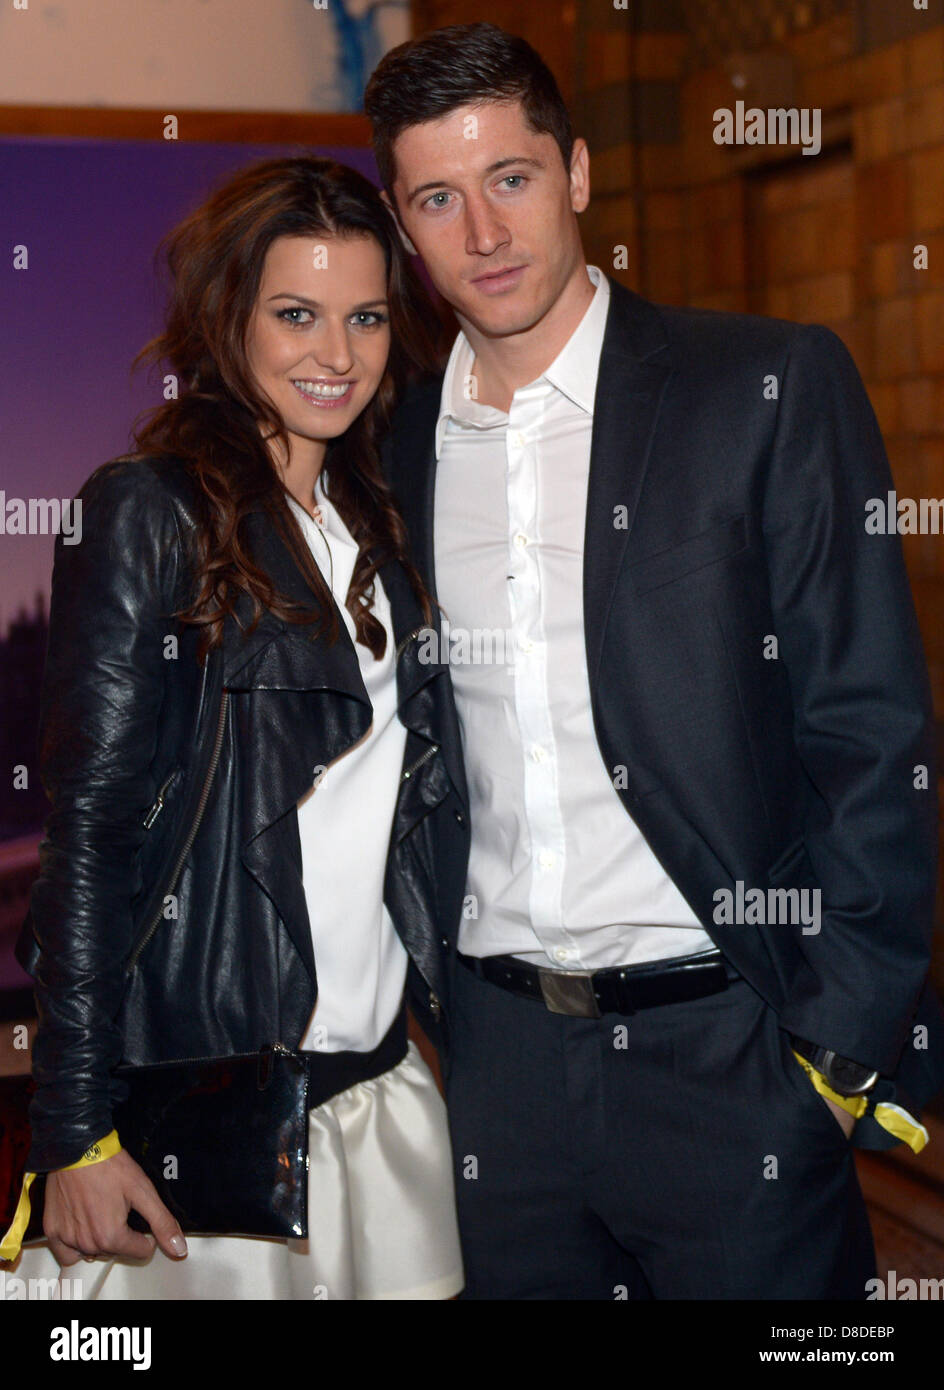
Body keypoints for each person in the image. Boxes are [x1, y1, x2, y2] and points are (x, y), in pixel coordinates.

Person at [363, 22, 944, 1299]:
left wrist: (838, 1051)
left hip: (730, 1054)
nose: (484, 232)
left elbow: (868, 730)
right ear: (405, 232)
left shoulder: (765, 388)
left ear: (575, 174)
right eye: (437, 201)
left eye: (510, 178)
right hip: (499, 1068)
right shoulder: (394, 446)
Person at [2, 155, 465, 1300]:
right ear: (229, 319)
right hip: (203, 1115)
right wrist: (71, 1130)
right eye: (296, 314)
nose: (337, 354)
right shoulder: (150, 508)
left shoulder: (377, 522)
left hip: (374, 1086)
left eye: (364, 317)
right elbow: (92, 832)